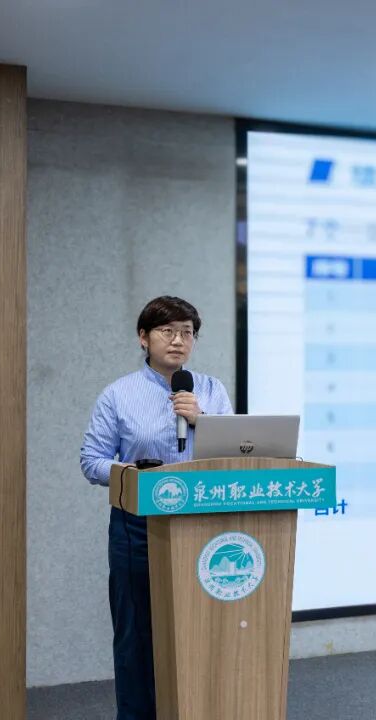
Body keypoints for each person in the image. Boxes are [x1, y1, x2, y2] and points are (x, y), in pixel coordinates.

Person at [80, 296, 233, 720]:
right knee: (137, 635)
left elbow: (236, 452)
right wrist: (129, 473)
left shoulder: (211, 390)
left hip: (203, 524)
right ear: (143, 338)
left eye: (187, 332)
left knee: (201, 630)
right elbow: (91, 461)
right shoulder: (119, 394)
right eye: (168, 331)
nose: (179, 340)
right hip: (138, 526)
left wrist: (204, 421)